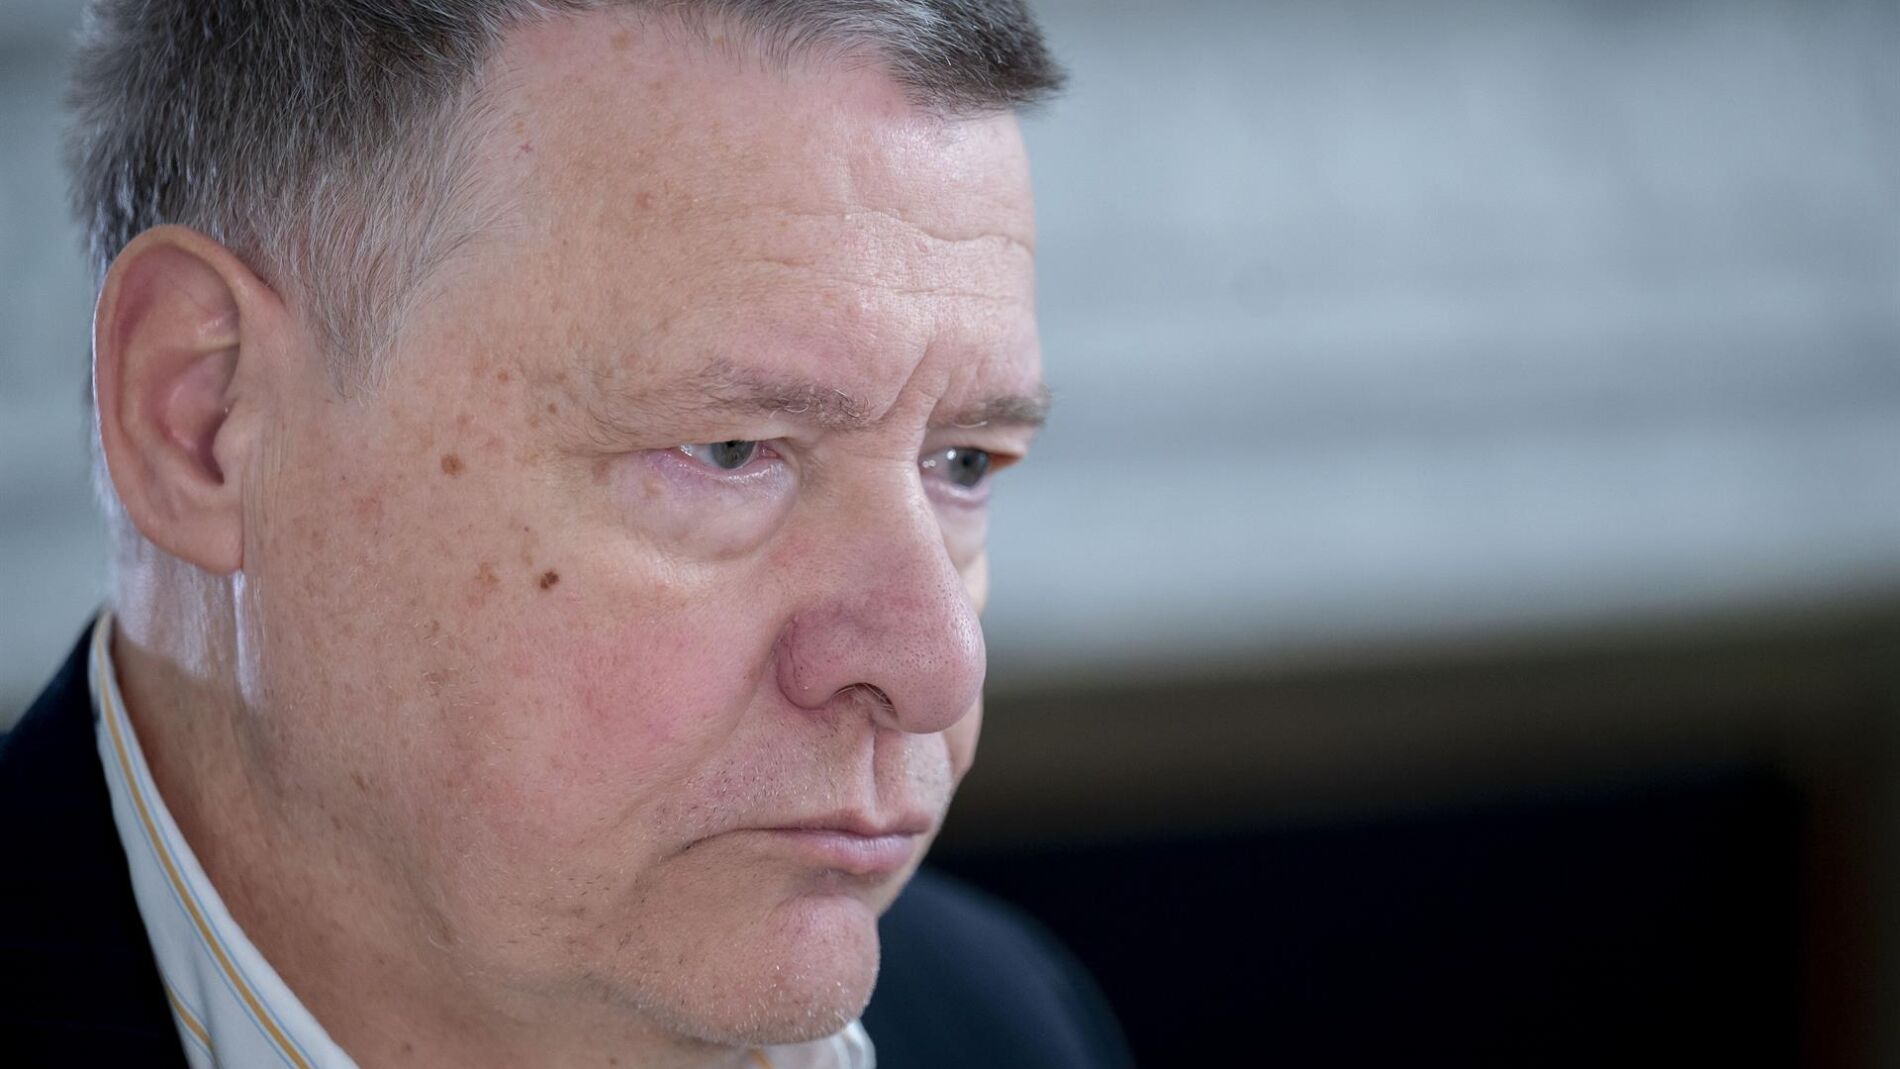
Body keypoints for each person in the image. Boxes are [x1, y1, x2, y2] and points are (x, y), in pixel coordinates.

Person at [0, 2, 1132, 1066]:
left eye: (963, 461)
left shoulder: (1007, 1023)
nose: (939, 667)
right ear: (203, 420)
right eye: (729, 448)